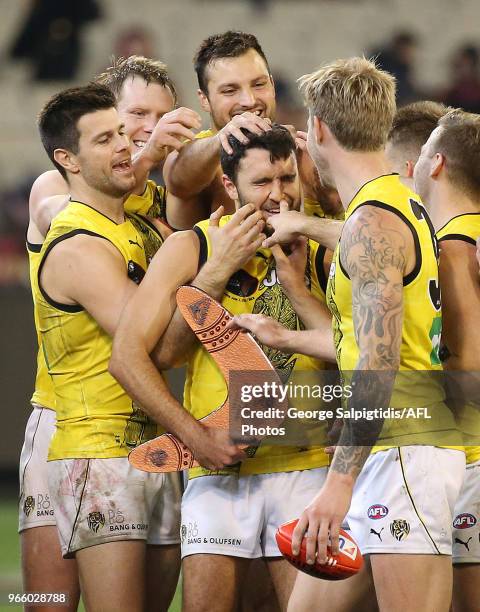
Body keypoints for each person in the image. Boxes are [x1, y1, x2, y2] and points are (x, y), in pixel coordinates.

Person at [232, 58, 464, 611]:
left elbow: (377, 366)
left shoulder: (371, 223)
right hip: (389, 449)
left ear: (317, 130)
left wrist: (336, 484)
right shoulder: (395, 200)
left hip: (402, 451)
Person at [110, 125, 332, 611]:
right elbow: (141, 358)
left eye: (287, 177)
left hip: (307, 469)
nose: (279, 195)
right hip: (218, 470)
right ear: (229, 187)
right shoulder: (193, 247)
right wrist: (196, 437)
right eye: (262, 183)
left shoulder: (317, 245)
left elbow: (354, 355)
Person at [20, 56, 200, 608]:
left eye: (160, 117)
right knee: (49, 603)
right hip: (67, 424)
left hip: (147, 424)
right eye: (134, 116)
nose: (145, 130)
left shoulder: (151, 206)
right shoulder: (61, 187)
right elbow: (62, 213)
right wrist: (142, 159)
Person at [413, 108, 480, 612]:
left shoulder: (452, 245)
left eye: (419, 152)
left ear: (435, 164)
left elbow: (467, 359)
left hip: (470, 454)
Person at [163, 30, 329, 230]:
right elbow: (179, 179)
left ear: (273, 85)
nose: (249, 101)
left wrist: (320, 175)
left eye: (259, 84)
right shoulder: (198, 162)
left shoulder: (305, 151)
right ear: (204, 100)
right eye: (230, 91)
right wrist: (222, 139)